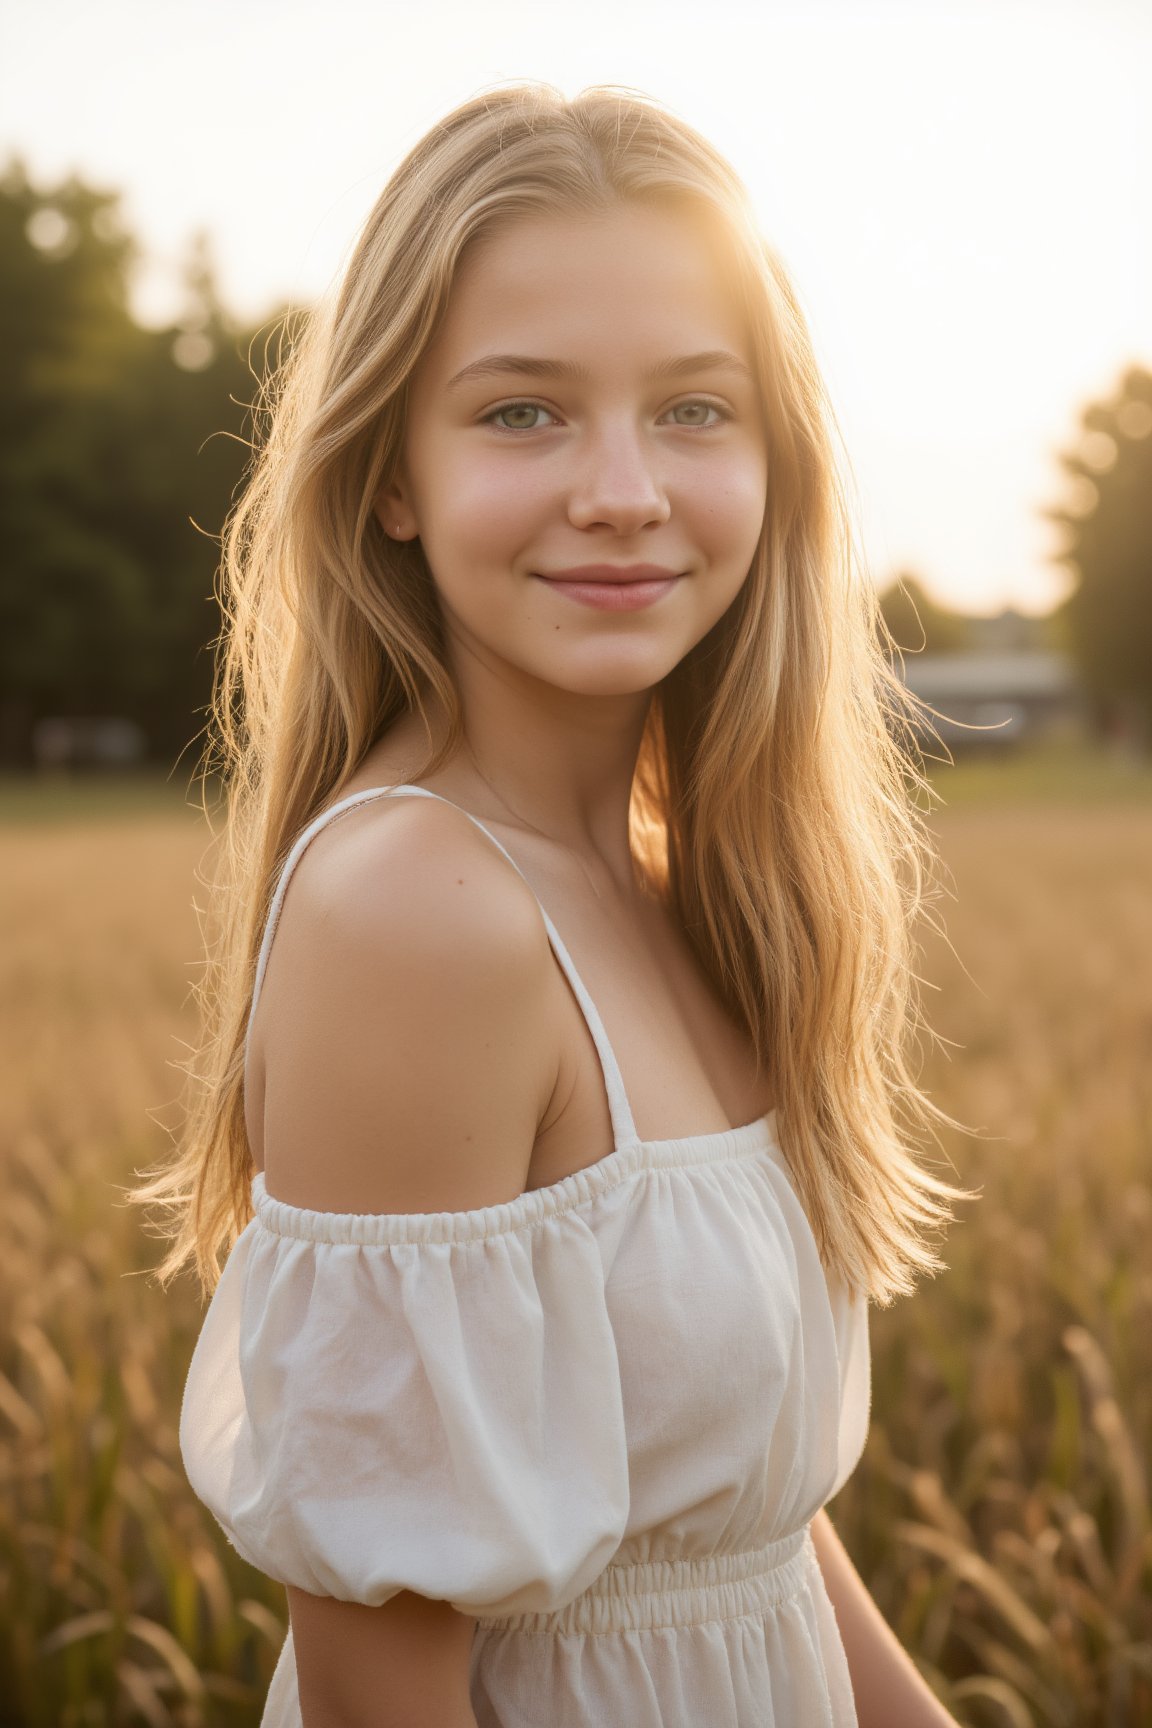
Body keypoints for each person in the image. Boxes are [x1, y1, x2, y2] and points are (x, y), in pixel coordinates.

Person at [144, 82, 973, 1728]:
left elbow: (746, 1534)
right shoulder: (418, 914)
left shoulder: (705, 886)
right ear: (393, 475)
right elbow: (383, 1677)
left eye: (693, 409)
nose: (622, 490)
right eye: (523, 413)